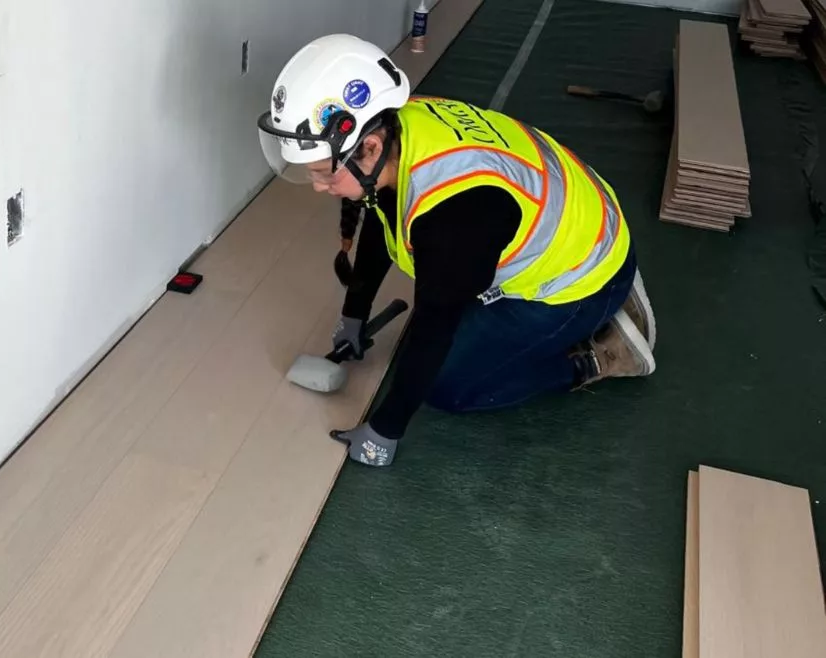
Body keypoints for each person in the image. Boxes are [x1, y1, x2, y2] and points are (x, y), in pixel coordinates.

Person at [256, 33, 657, 467]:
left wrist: (384, 431)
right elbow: (381, 215)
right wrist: (354, 313)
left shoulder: (453, 218)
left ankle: (599, 357)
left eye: (323, 173)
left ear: (369, 147)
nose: (318, 187)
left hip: (582, 276)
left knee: (449, 386)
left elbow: (434, 324)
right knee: (429, 340)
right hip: (581, 218)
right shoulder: (399, 127)